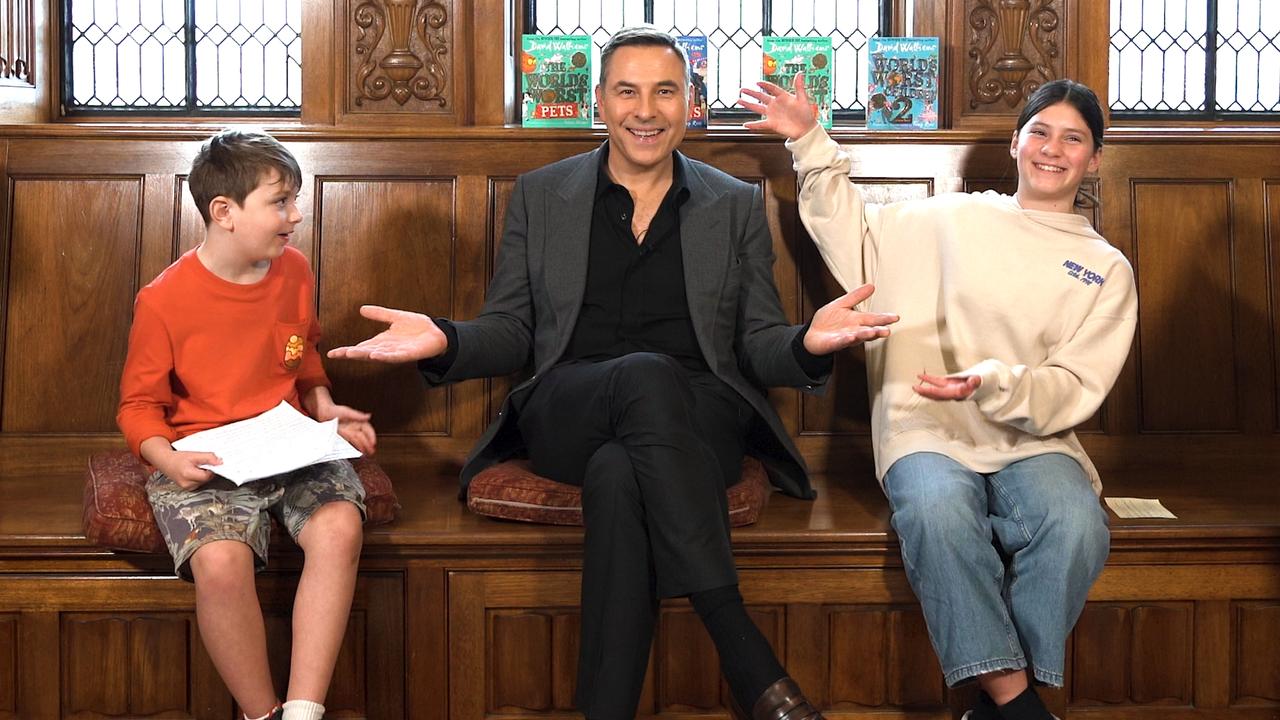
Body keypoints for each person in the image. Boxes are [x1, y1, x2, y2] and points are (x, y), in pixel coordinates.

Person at [329, 26, 896, 720]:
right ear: (600, 101)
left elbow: (755, 344)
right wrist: (443, 339)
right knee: (642, 377)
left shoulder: (734, 203)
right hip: (572, 405)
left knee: (619, 472)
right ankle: (741, 647)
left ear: (691, 101)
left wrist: (809, 342)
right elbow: (513, 331)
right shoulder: (543, 195)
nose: (645, 110)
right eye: (627, 91)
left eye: (665, 91)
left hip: (697, 421)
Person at [740, 77, 1137, 720]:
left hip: (1033, 439)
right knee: (935, 513)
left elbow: (1073, 384)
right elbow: (856, 239)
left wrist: (991, 382)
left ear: (1094, 158)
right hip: (924, 423)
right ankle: (1017, 702)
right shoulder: (950, 218)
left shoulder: (1105, 268)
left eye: (1073, 139)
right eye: (1039, 131)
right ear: (1015, 144)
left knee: (1076, 524)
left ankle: (997, 702)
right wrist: (809, 140)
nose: (1052, 149)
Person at [117, 129, 376, 720]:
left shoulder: (295, 270)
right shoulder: (163, 300)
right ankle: (263, 713)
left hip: (285, 444)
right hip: (203, 455)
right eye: (280, 202)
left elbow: (303, 352)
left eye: (296, 200)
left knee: (339, 529)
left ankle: (304, 712)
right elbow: (137, 407)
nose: (296, 215)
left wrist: (325, 406)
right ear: (224, 212)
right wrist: (168, 460)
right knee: (221, 561)